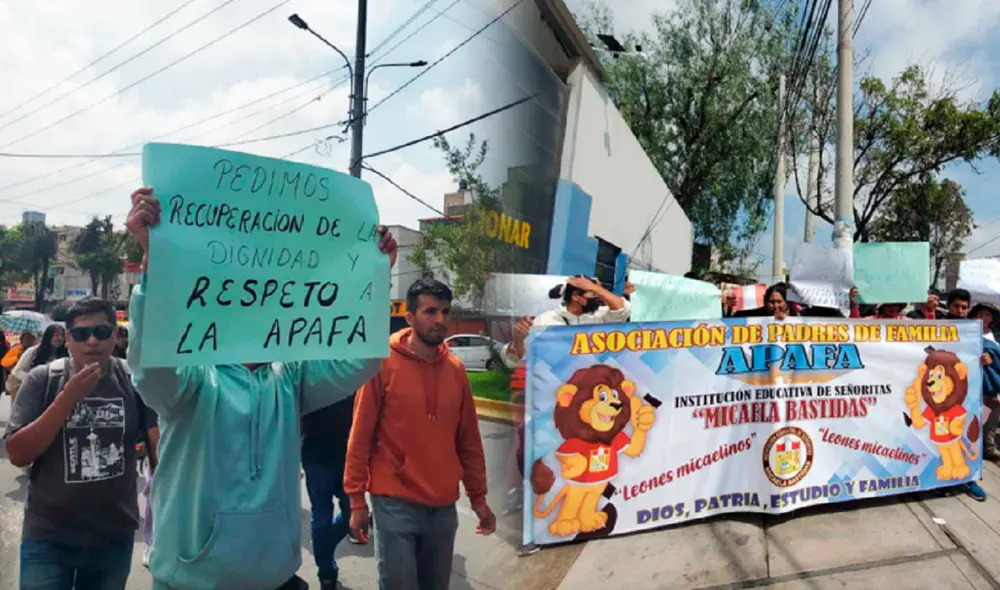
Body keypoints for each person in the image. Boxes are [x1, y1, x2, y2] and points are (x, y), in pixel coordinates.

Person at [124, 186, 397, 590]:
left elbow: (364, 357)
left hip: (277, 579)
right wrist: (155, 262)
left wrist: (375, 275)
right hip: (191, 580)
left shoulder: (289, 375)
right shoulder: (193, 377)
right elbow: (152, 370)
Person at [344, 279, 496, 590]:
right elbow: (360, 435)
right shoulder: (381, 364)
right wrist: (357, 501)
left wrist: (479, 499)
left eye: (444, 311)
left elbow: (468, 442)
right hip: (394, 503)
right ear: (410, 318)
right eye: (430, 311)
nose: (440, 319)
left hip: (442, 508)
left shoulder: (456, 370)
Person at [3, 298, 158, 589]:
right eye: (80, 334)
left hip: (112, 538)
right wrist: (67, 398)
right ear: (67, 339)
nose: (91, 341)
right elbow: (18, 454)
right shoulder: (43, 379)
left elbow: (158, 450)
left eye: (101, 332)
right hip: (48, 537)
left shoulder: (135, 382)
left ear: (115, 336)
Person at [300, 383, 361, 589]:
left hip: (348, 458)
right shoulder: (309, 373)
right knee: (321, 518)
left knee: (351, 513)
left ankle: (324, 550)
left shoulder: (351, 371)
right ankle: (326, 572)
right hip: (316, 456)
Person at [972, 303, 1000, 461]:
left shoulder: (996, 335)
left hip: (993, 384)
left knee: (992, 417)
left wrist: (992, 361)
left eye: (987, 315)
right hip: (974, 382)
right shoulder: (967, 332)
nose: (983, 317)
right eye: (980, 313)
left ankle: (988, 447)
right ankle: (973, 448)